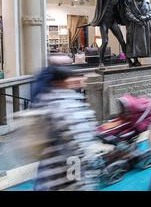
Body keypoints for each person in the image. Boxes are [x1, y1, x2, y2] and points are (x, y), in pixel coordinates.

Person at [31, 63, 101, 191]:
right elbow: (78, 145)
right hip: (68, 171)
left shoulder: (43, 102)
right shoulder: (71, 105)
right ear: (63, 81)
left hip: (49, 171)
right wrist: (80, 180)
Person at [83, 0, 131, 69]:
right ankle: (101, 62)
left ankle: (129, 60)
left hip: (112, 21)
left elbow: (127, 2)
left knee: (122, 41)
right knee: (105, 42)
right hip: (104, 22)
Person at [124, 0, 151, 67]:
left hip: (146, 25)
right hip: (134, 25)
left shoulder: (147, 1)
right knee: (134, 43)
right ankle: (135, 60)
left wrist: (145, 17)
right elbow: (127, 13)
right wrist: (136, 20)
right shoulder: (128, 0)